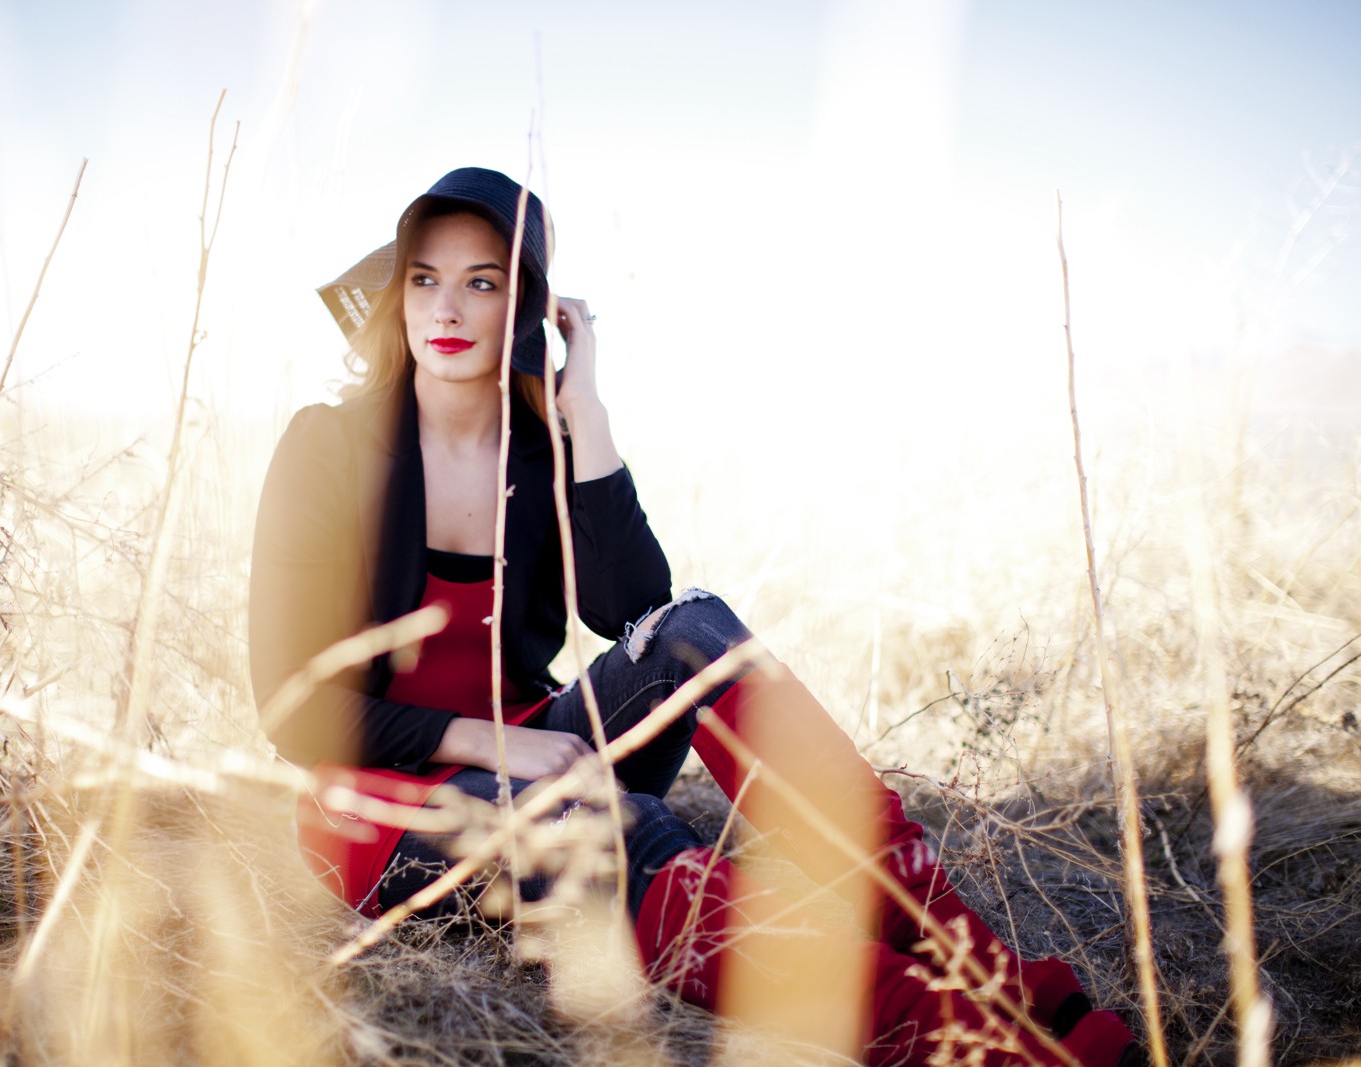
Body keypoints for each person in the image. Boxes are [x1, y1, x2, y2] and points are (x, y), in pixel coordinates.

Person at [249, 167, 1140, 1066]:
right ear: (398, 295)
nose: (446, 308)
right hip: (381, 804)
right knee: (615, 829)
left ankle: (972, 961)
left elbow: (634, 609)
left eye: (482, 282)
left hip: (544, 746)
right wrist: (494, 744)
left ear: (524, 309)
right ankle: (947, 1034)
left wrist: (584, 414)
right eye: (424, 279)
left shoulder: (543, 448)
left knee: (694, 627)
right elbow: (294, 707)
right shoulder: (327, 445)